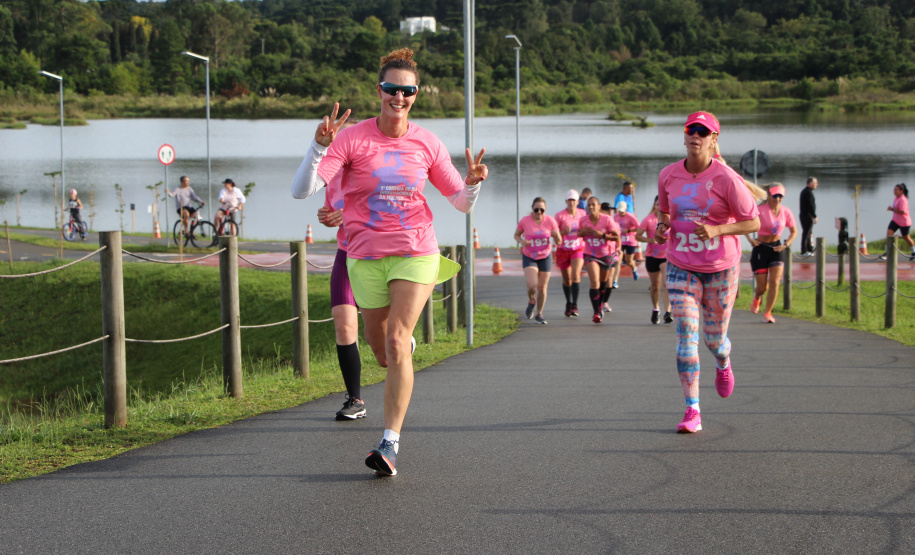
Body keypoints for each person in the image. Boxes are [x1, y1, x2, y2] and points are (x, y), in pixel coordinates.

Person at [290, 48, 488, 477]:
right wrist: (317, 146)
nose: (398, 97)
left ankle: (390, 442)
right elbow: (301, 191)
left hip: (416, 250)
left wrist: (472, 185)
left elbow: (459, 203)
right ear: (378, 90)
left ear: (416, 95)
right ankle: (403, 352)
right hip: (364, 256)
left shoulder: (426, 142)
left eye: (407, 91)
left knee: (397, 341)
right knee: (381, 351)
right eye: (391, 89)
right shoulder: (352, 138)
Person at [655, 111, 761, 433]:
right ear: (684, 135)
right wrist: (662, 228)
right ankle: (692, 410)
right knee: (685, 336)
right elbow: (664, 212)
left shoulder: (727, 179)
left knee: (714, 340)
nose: (695, 136)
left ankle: (723, 360)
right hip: (680, 265)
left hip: (720, 269)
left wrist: (718, 231)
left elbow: (754, 222)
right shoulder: (668, 175)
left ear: (714, 139)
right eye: (691, 130)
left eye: (703, 131)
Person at [747, 183, 798, 324]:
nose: (778, 198)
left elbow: (794, 231)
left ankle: (768, 312)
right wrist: (750, 239)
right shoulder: (759, 210)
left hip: (776, 249)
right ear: (769, 195)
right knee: (763, 288)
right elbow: (744, 223)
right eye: (775, 195)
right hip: (761, 248)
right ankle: (757, 296)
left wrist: (785, 245)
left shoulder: (786, 212)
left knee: (775, 282)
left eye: (780, 196)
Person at [514, 197, 562, 324]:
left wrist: (557, 236)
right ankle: (531, 300)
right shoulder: (525, 221)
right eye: (536, 209)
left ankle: (539, 313)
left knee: (542, 287)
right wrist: (522, 241)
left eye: (542, 210)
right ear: (532, 209)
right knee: (532, 285)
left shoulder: (550, 221)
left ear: (545, 210)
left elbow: (559, 241)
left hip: (545, 256)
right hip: (530, 255)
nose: (539, 212)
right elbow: (516, 235)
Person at [578, 196, 620, 323]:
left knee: (603, 284)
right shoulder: (583, 220)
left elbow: (616, 237)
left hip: (606, 254)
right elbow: (578, 234)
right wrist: (582, 233)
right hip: (590, 254)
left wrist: (602, 235)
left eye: (593, 205)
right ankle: (596, 312)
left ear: (599, 206)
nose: (591, 207)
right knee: (594, 283)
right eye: (589, 205)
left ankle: (600, 305)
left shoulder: (607, 219)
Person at [636, 195, 672, 324]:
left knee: (666, 284)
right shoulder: (649, 220)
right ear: (655, 206)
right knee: (655, 287)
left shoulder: (671, 220)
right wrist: (649, 240)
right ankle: (656, 308)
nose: (659, 207)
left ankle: (668, 312)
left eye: (662, 205)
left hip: (667, 257)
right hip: (652, 256)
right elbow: (638, 236)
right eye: (657, 205)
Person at [554, 189, 587, 317]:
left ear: (578, 201)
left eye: (574, 200)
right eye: (569, 200)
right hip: (563, 249)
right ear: (566, 201)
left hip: (578, 248)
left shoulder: (582, 214)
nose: (571, 203)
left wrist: (582, 232)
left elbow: (585, 230)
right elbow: (554, 234)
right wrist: (563, 232)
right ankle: (568, 303)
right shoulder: (560, 216)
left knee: (575, 275)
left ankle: (575, 305)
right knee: (567, 279)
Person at [882, 183, 915, 261]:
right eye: (894, 190)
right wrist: (892, 209)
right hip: (895, 220)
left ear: (901, 191)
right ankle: (887, 253)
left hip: (904, 222)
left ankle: (914, 252)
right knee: (889, 234)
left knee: (906, 237)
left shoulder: (903, 199)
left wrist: (892, 209)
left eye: (896, 190)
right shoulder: (896, 198)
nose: (895, 191)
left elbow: (903, 212)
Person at [613, 200, 641, 282]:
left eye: (622, 211)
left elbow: (639, 228)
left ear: (626, 209)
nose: (621, 213)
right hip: (620, 241)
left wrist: (628, 230)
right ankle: (615, 281)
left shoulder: (631, 217)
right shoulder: (616, 216)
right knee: (618, 260)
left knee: (629, 261)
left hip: (630, 241)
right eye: (619, 211)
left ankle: (634, 269)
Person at [799, 177, 817, 255]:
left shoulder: (805, 191)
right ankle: (804, 250)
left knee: (809, 232)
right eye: (815, 183)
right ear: (810, 183)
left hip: (803, 215)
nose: (816, 185)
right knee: (806, 232)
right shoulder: (808, 192)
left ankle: (809, 248)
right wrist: (814, 215)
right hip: (806, 216)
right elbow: (810, 205)